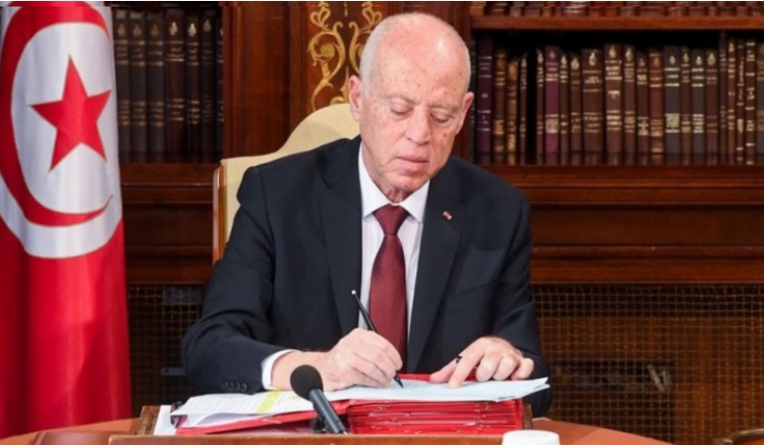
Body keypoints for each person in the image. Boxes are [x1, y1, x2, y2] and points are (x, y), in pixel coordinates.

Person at [183, 12, 551, 416]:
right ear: (357, 100)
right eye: (399, 109)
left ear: (463, 113)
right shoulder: (278, 197)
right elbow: (209, 348)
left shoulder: (498, 212)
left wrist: (507, 358)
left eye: (441, 116)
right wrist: (314, 367)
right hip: (312, 442)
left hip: (438, 442)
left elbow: (536, 386)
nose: (419, 134)